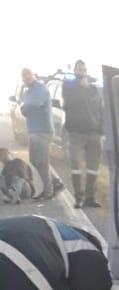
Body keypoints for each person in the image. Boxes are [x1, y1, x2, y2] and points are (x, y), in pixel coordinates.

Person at [63, 59, 103, 209]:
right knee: (76, 166)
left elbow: (100, 109)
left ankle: (90, 198)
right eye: (79, 70)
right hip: (76, 134)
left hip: (94, 134)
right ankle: (78, 198)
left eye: (84, 70)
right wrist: (82, 88)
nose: (82, 73)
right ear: (74, 71)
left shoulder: (93, 89)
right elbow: (69, 104)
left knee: (93, 168)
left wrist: (101, 129)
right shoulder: (68, 87)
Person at [19, 68, 55, 199]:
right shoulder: (28, 92)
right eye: (24, 76)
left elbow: (34, 104)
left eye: (28, 74)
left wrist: (24, 107)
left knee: (42, 162)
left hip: (42, 130)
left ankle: (48, 192)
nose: (26, 77)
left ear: (34, 75)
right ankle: (55, 182)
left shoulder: (40, 88)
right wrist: (24, 108)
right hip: (33, 130)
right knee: (34, 160)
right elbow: (25, 109)